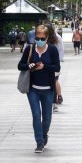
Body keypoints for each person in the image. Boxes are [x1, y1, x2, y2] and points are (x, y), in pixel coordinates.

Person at [17, 25, 60, 153]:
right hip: (33, 89)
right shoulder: (29, 49)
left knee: (47, 118)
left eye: (42, 38)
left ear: (46, 38)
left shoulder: (52, 50)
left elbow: (57, 67)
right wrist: (28, 65)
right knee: (36, 115)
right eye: (37, 37)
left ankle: (44, 133)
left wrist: (44, 66)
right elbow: (20, 65)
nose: (39, 40)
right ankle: (39, 142)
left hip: (48, 89)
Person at [44, 23, 64, 112]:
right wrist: (59, 61)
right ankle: (54, 103)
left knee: (49, 83)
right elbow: (61, 50)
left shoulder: (45, 38)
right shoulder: (58, 38)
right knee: (54, 82)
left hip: (45, 64)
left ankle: (51, 102)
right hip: (54, 64)